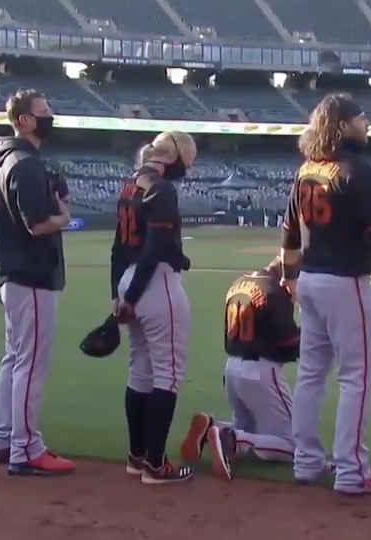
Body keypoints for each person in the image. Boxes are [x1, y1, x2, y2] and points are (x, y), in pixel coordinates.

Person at [280, 94, 371, 494]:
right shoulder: (358, 170)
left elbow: (290, 232)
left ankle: (306, 462)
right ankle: (352, 472)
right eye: (362, 118)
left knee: (310, 374)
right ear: (343, 125)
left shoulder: (307, 169)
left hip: (309, 279)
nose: (367, 125)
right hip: (344, 282)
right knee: (356, 378)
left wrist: (288, 276)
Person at [0, 90, 75, 477]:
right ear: (24, 120)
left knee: (14, 359)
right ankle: (25, 448)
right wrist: (63, 217)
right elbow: (38, 224)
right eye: (44, 112)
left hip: (14, 274)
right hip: (32, 274)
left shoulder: (11, 161)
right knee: (30, 363)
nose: (50, 117)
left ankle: (5, 437)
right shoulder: (24, 163)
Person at [112, 131, 195, 485]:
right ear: (173, 155)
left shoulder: (131, 184)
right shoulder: (162, 187)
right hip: (155, 281)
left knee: (140, 370)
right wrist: (131, 296)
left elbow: (118, 247)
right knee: (168, 373)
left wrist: (118, 294)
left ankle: (137, 457)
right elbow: (156, 246)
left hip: (129, 279)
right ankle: (156, 465)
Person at [179, 257, 301, 481]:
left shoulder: (239, 282)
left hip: (233, 367)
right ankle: (232, 439)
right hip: (261, 371)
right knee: (295, 445)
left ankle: (212, 427)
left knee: (248, 425)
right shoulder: (277, 290)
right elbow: (287, 341)